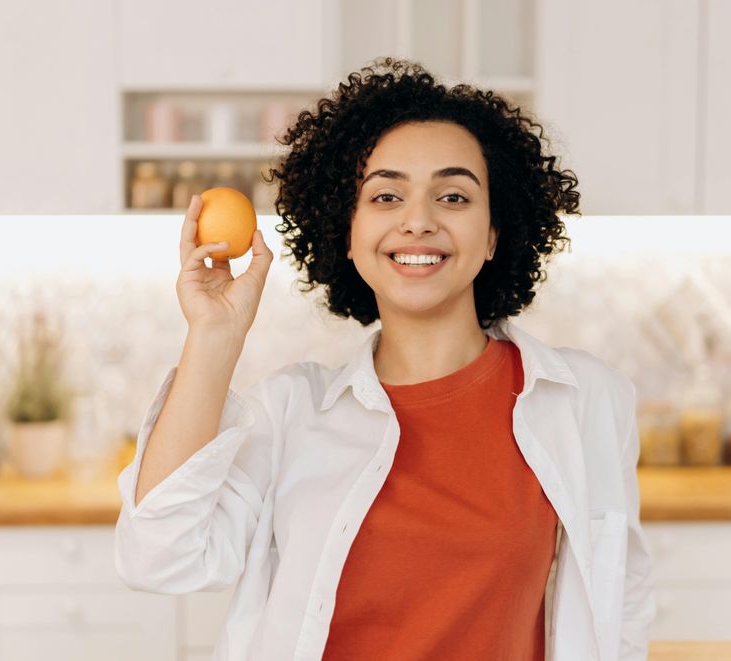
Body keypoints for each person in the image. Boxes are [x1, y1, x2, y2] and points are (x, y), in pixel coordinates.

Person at [115, 56, 656, 661]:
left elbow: (620, 607)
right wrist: (214, 337)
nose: (418, 221)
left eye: (453, 196)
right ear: (348, 233)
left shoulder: (585, 400)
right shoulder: (294, 411)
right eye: (386, 195)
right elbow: (158, 557)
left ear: (494, 233)